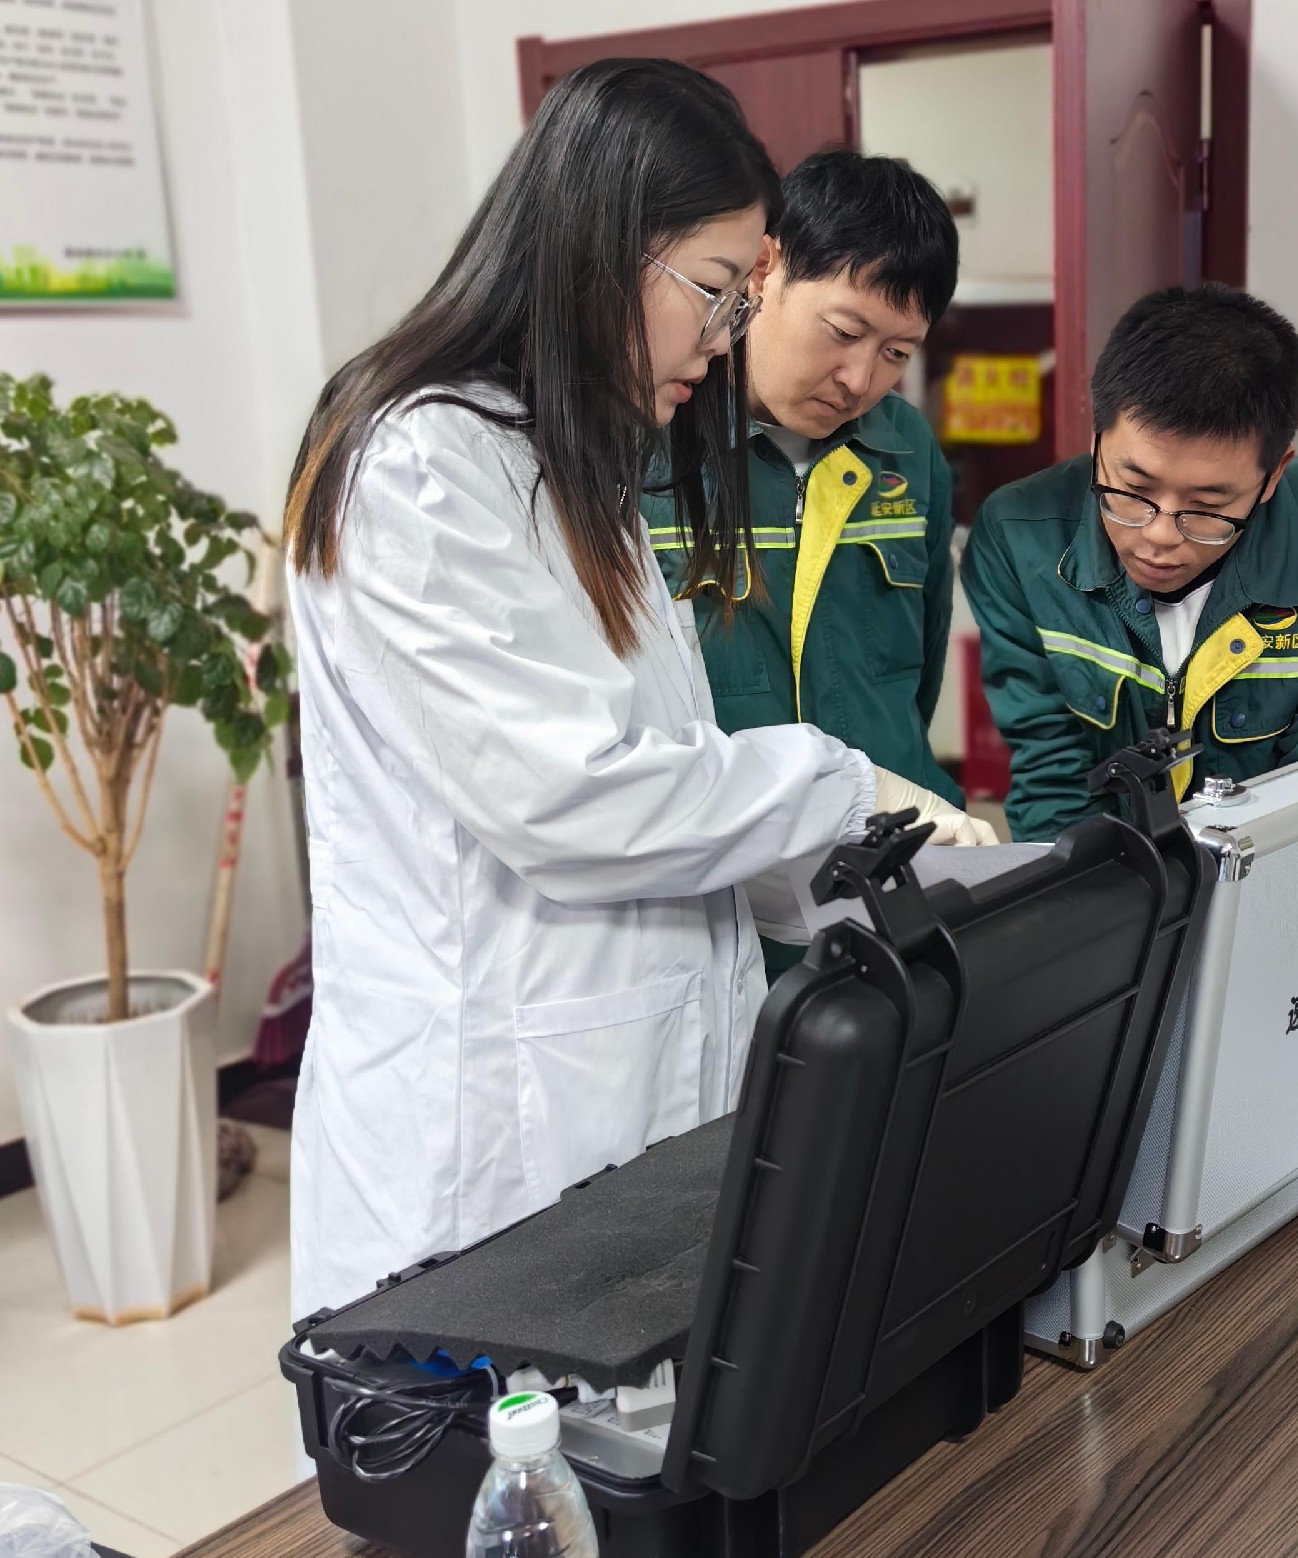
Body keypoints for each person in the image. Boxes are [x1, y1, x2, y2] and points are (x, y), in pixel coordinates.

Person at [281, 61, 991, 1319]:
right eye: (716, 293)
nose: (723, 340)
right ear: (604, 249)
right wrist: (836, 785)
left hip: (637, 1082)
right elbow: (572, 800)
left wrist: (869, 875)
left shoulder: (580, 462)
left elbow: (670, 781)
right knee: (512, 1421)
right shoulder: (423, 464)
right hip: (492, 1123)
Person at [642, 149, 974, 969]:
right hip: (716, 900)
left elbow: (920, 672)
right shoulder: (651, 438)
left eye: (898, 353)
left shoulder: (907, 451)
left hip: (889, 882)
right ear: (766, 269)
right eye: (845, 332)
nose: (859, 378)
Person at [965, 284, 1298, 841]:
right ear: (1097, 437)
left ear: (1274, 475)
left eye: (1206, 506)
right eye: (1133, 489)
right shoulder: (1018, 536)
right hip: (1112, 877)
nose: (1158, 536)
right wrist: (1090, 894)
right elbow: (1052, 778)